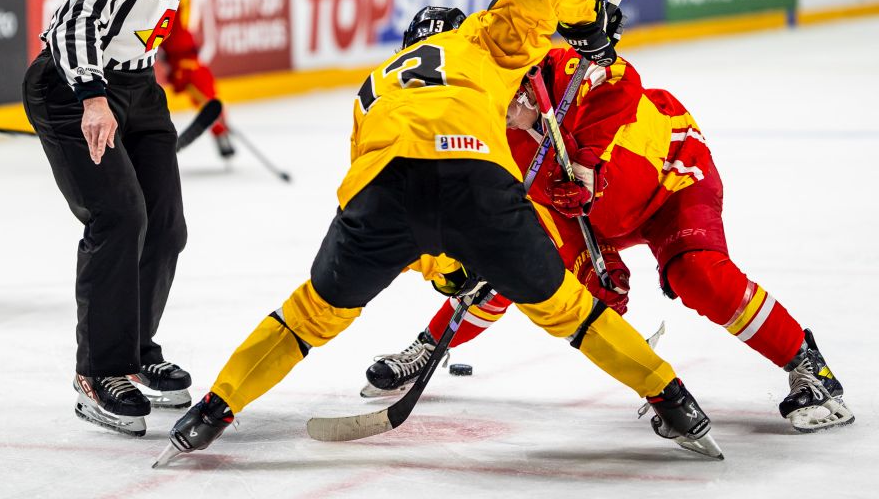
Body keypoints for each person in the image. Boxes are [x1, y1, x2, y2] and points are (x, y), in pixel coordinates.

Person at [161, 0, 721, 464]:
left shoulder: (374, 84)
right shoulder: (478, 38)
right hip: (475, 179)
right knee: (571, 312)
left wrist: (448, 272)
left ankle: (212, 410)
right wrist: (589, 18)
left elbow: (377, 195)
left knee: (307, 315)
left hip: (383, 190)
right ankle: (674, 401)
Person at [361, 43, 853, 434]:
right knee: (515, 265)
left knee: (696, 273)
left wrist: (587, 161)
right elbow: (541, 218)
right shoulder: (492, 136)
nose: (491, 113)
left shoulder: (562, 68)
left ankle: (809, 366)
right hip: (596, 214)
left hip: (669, 177)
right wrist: (592, 264)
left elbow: (624, 82)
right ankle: (429, 347)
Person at [22, 0, 252, 437]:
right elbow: (73, 22)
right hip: (72, 84)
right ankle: (98, 371)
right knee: (119, 217)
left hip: (136, 84)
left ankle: (132, 350)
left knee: (166, 224)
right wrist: (94, 99)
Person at [158, 0, 233, 158]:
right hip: (175, 47)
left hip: (178, 47)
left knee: (202, 85)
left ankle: (220, 127)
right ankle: (220, 127)